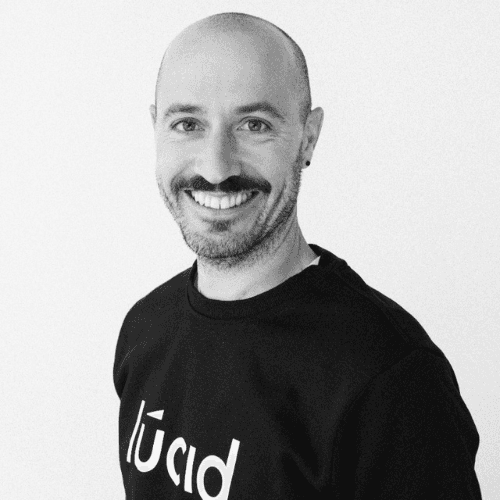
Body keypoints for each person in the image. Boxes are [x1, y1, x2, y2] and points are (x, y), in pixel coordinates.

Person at [113, 12, 482, 499]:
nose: (216, 167)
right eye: (188, 124)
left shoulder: (390, 379)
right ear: (156, 129)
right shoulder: (145, 328)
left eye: (254, 125)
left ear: (308, 137)